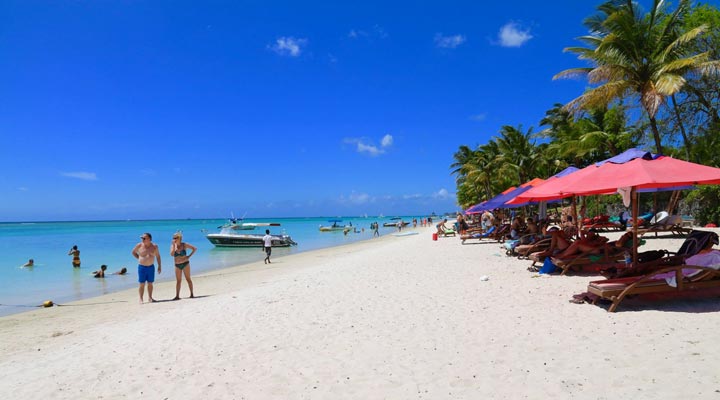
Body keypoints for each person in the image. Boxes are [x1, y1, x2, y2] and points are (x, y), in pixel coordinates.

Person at [131, 233, 162, 303]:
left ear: (149, 239)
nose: (142, 239)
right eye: (142, 238)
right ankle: (141, 299)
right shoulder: (139, 245)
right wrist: (139, 258)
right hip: (142, 267)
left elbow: (158, 256)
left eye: (144, 238)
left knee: (150, 283)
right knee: (142, 283)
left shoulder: (154, 246)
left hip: (151, 267)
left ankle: (150, 298)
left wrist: (159, 266)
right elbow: (133, 252)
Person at [170, 233, 196, 300]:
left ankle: (192, 294)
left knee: (188, 279)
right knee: (178, 281)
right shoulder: (173, 246)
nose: (174, 239)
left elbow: (194, 248)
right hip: (177, 265)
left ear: (179, 238)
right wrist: (173, 245)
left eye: (175, 238)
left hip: (185, 264)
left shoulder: (184, 245)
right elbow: (172, 254)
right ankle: (177, 296)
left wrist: (188, 256)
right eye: (173, 238)